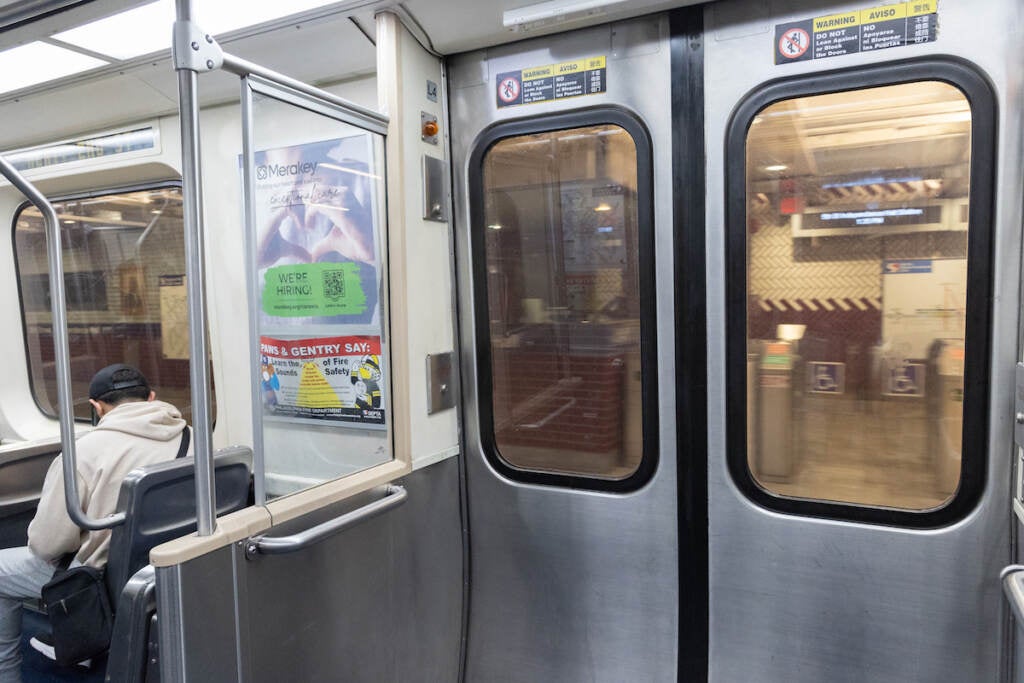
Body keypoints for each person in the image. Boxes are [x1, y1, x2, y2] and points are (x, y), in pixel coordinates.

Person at [0, 364, 190, 681]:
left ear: (96, 407)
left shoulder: (82, 453)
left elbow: (47, 544)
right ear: (152, 397)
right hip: (168, 564)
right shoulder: (193, 437)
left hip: (103, 577)